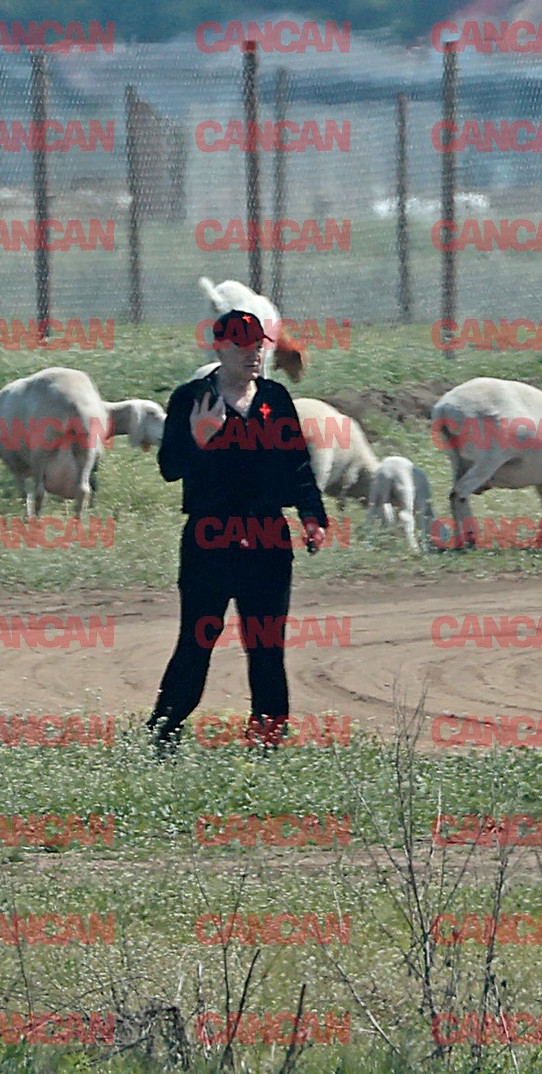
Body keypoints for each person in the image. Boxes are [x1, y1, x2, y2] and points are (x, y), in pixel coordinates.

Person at [147, 309, 328, 754]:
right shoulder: (192, 398)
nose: (254, 354)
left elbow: (297, 463)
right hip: (210, 538)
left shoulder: (275, 398)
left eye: (258, 345)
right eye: (242, 346)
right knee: (198, 639)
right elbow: (170, 468)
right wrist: (200, 438)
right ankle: (162, 735)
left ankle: (268, 741)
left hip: (267, 538)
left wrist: (312, 516)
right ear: (219, 348)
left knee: (266, 643)